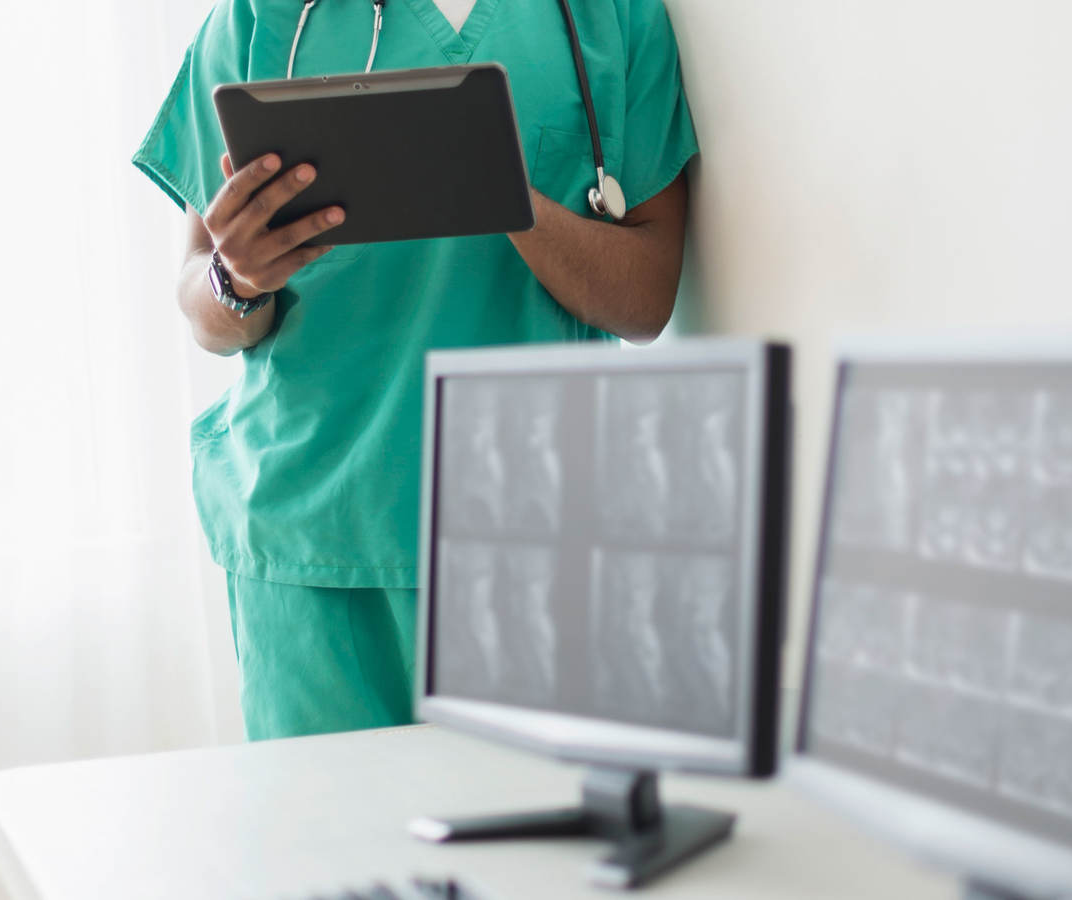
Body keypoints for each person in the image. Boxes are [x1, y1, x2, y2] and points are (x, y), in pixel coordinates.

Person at [133, 0, 698, 741]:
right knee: (330, 849)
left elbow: (645, 300)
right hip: (314, 543)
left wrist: (497, 187)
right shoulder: (257, 20)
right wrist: (234, 279)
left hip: (532, 541)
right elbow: (202, 301)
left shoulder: (605, 18)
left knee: (533, 848)